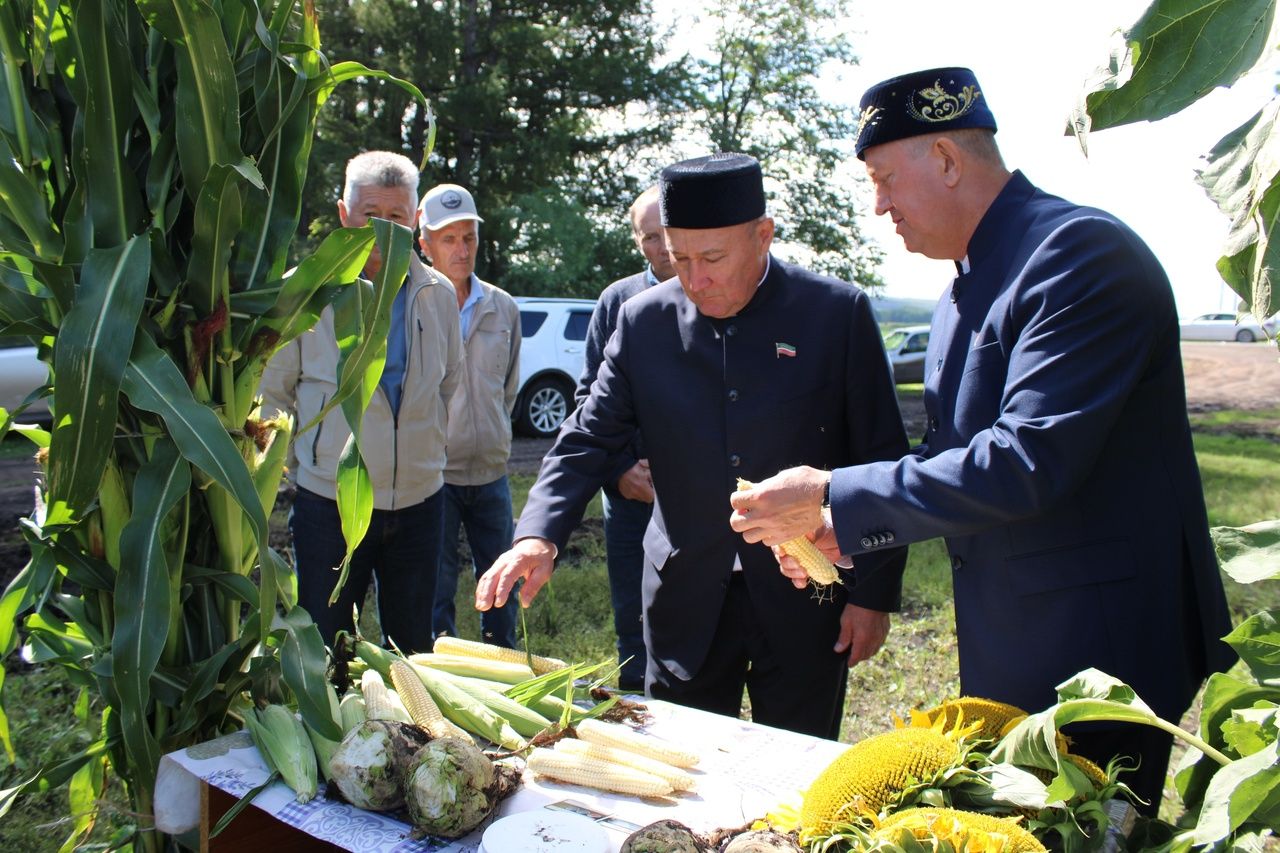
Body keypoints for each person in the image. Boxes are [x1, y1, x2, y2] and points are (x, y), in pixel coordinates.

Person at [729, 67, 1236, 811]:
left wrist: (834, 488)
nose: (878, 206)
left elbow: (1025, 459)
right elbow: (952, 459)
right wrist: (841, 530)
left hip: (1100, 648)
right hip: (1018, 632)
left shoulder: (1076, 256)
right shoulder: (966, 285)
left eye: (882, 179)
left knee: (1087, 828)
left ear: (944, 159)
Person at [475, 153, 910, 740]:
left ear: (763, 236)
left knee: (798, 784)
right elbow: (585, 437)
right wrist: (536, 536)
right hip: (684, 598)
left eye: (712, 259)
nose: (694, 279)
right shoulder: (643, 322)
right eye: (679, 258)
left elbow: (879, 454)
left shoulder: (834, 315)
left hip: (806, 596)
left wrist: (874, 594)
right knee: (684, 774)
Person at [261, 151, 464, 653]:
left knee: (412, 649)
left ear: (415, 220)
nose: (382, 230)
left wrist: (423, 456)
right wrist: (310, 465)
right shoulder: (305, 293)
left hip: (420, 502)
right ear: (342, 214)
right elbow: (274, 392)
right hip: (329, 503)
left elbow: (449, 383)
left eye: (396, 217)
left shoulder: (436, 294)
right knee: (324, 644)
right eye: (369, 215)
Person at [574, 185, 676, 691]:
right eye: (650, 237)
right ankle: (638, 706)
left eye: (669, 233)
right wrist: (618, 474)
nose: (664, 247)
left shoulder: (718, 294)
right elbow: (587, 401)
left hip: (704, 497)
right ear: (638, 242)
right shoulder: (617, 301)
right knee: (633, 622)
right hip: (632, 498)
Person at [419, 183, 523, 648]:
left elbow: (509, 389)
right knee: (434, 587)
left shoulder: (502, 307)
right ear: (424, 244)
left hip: (491, 473)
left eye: (469, 237)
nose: (462, 250)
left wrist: (495, 433)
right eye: (449, 239)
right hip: (433, 477)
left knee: (501, 581)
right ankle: (438, 673)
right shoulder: (412, 302)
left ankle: (503, 668)